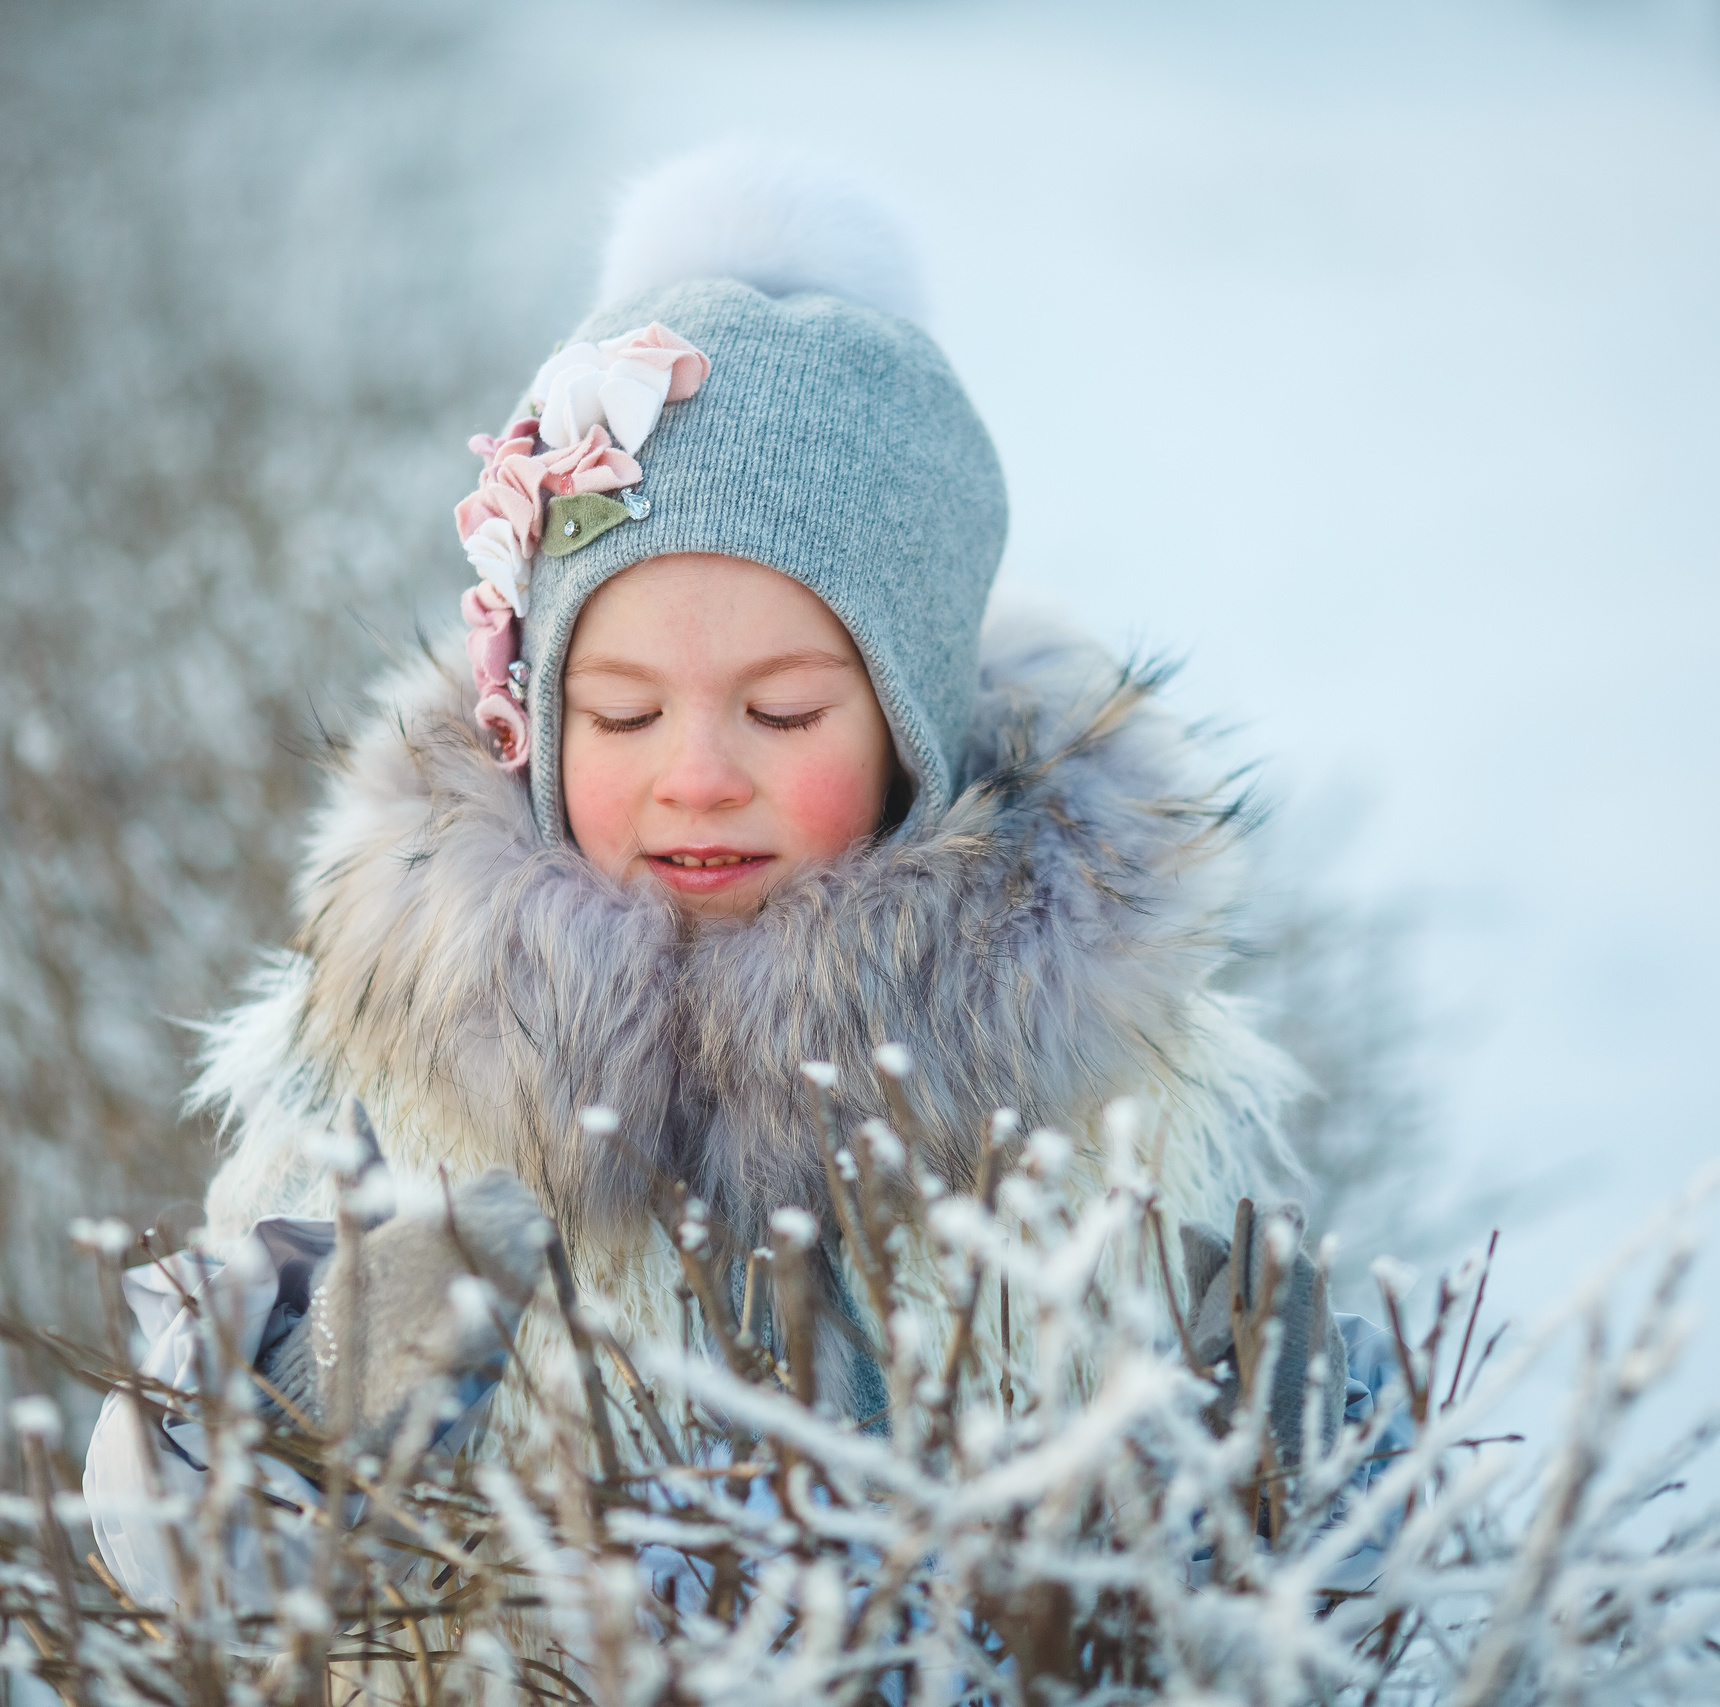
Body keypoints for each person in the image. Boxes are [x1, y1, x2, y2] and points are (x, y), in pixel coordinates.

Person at [84, 144, 1401, 1607]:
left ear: (914, 734)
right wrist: (319, 1379)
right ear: (532, 719)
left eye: (781, 714)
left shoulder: (1098, 1090)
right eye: (624, 713)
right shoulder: (400, 1070)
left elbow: (1298, 1570)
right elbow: (186, 1559)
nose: (696, 774)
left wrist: (1278, 1449)